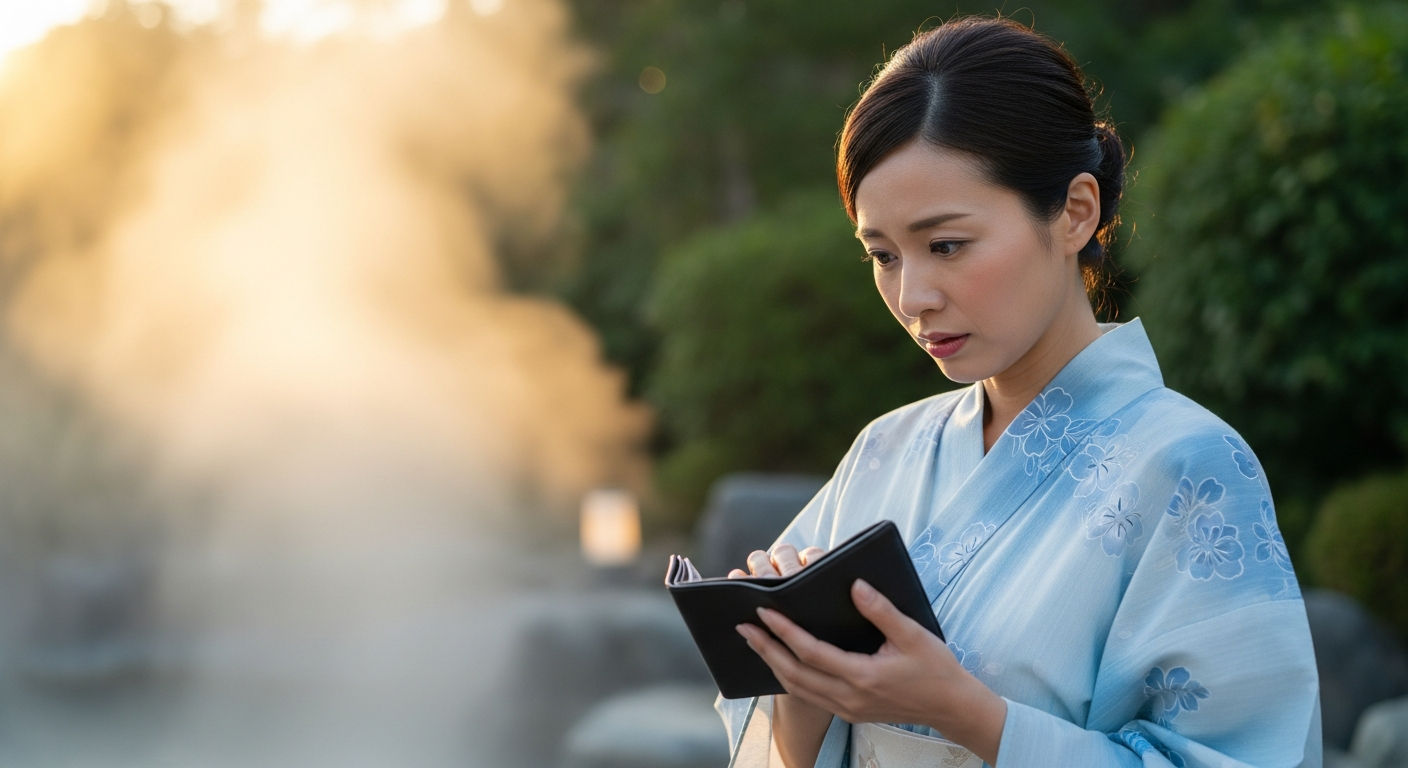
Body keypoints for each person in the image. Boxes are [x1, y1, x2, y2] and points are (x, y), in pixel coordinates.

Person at [716, 16, 1321, 768]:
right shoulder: (885, 449)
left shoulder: (1192, 466)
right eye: (882, 255)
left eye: (946, 245)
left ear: (1075, 212)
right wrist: (802, 685)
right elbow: (785, 743)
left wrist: (964, 714)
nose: (913, 297)